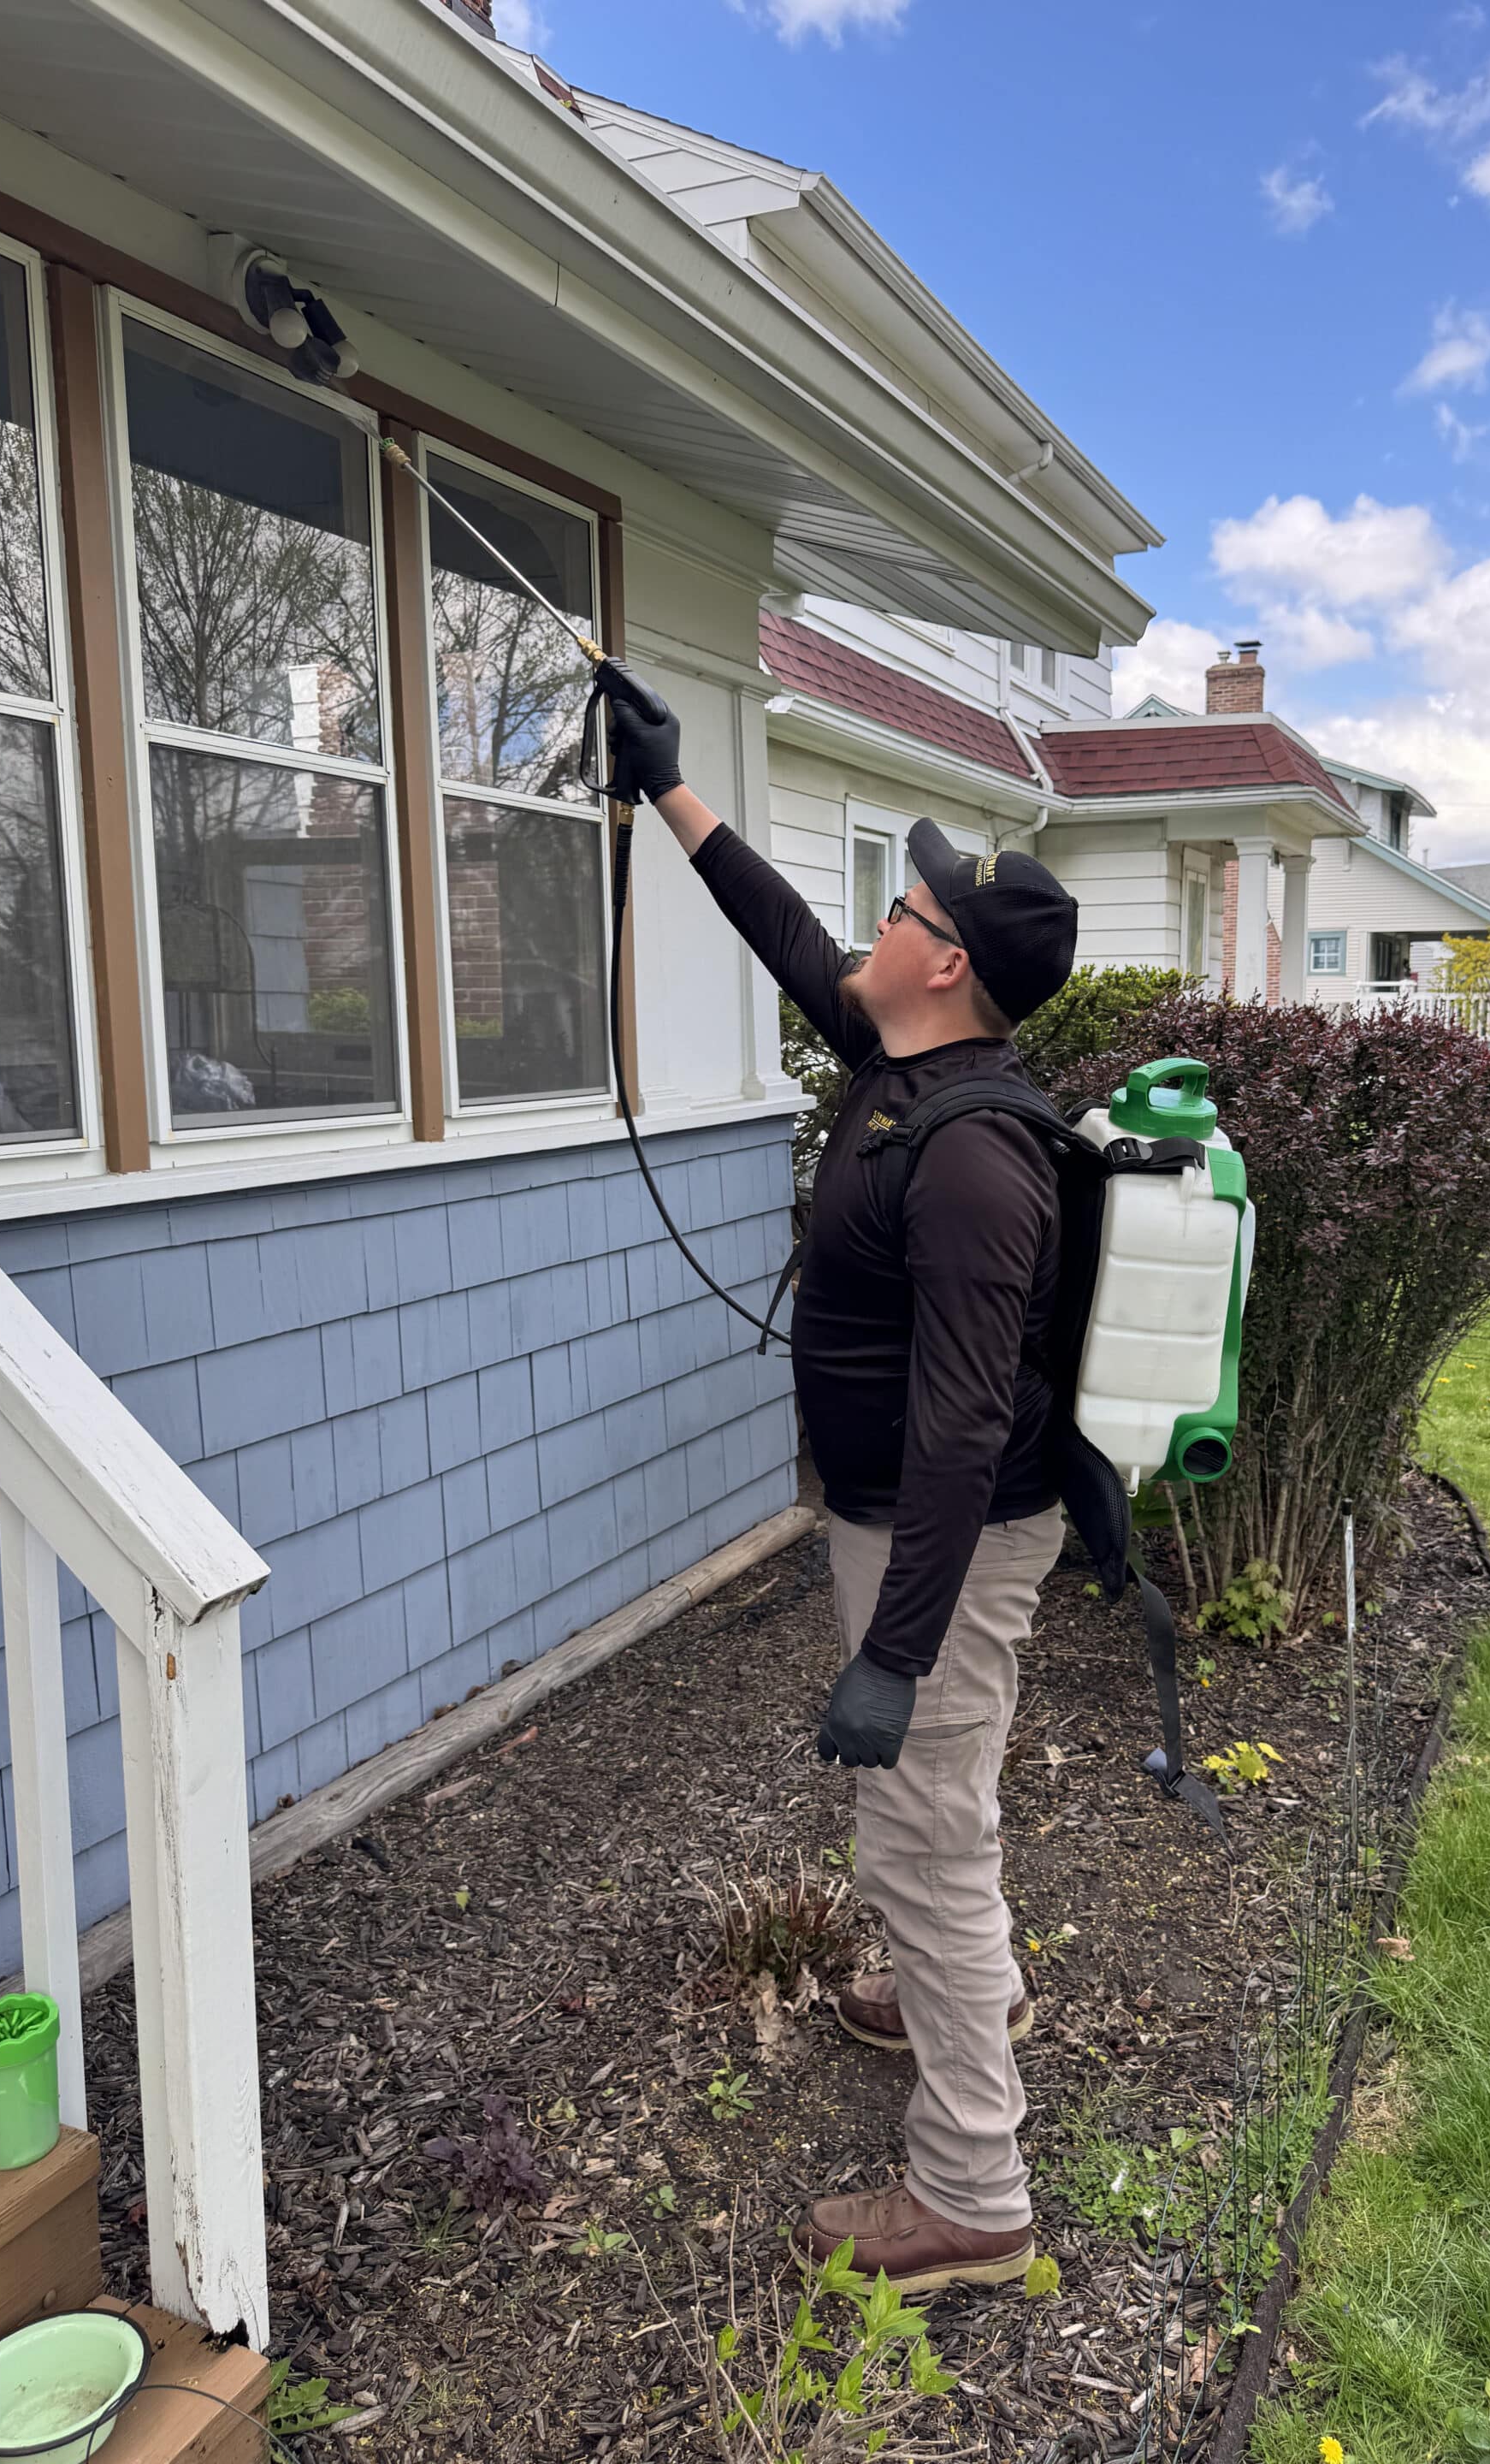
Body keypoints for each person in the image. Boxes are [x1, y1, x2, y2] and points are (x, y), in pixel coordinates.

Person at [608, 685, 1081, 2295]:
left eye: (906, 903)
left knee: (920, 1841)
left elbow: (958, 1431)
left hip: (936, 1540)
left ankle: (972, 2190)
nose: (879, 916)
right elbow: (794, 940)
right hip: (904, 1529)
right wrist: (676, 798)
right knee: (941, 1816)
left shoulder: (972, 1159)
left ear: (947, 959)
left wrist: (893, 1655)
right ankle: (976, 1992)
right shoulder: (897, 1062)